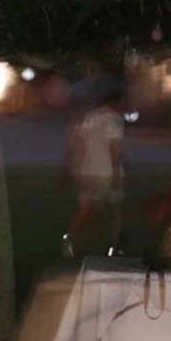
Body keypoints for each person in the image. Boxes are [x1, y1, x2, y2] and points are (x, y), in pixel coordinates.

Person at [63, 88, 125, 257]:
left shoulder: (90, 117)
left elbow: (79, 145)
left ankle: (70, 239)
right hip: (106, 172)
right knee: (114, 210)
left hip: (88, 170)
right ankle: (113, 245)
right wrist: (115, 173)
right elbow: (114, 148)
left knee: (85, 210)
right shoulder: (114, 119)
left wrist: (77, 168)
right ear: (116, 103)